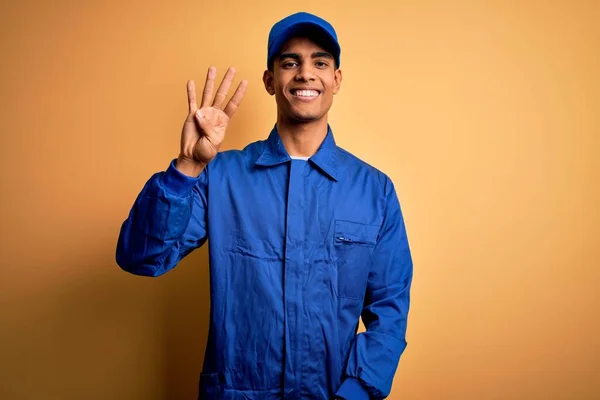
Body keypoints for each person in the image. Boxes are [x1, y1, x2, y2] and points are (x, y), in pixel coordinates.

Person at [116, 11, 413, 400]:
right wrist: (186, 166)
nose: (306, 73)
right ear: (270, 81)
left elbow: (390, 310)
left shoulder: (375, 190)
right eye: (290, 62)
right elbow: (141, 257)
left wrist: (355, 392)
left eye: (320, 62)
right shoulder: (221, 177)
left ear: (336, 79)